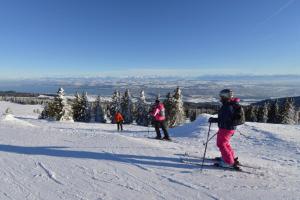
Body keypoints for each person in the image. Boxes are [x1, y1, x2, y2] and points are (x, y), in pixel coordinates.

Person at [208, 89, 240, 168]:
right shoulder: (230, 104)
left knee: (221, 144)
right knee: (225, 143)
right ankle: (229, 157)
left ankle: (228, 162)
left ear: (225, 97)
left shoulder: (227, 106)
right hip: (229, 128)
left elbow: (224, 119)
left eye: (221, 96)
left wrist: (214, 120)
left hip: (226, 128)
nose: (220, 98)